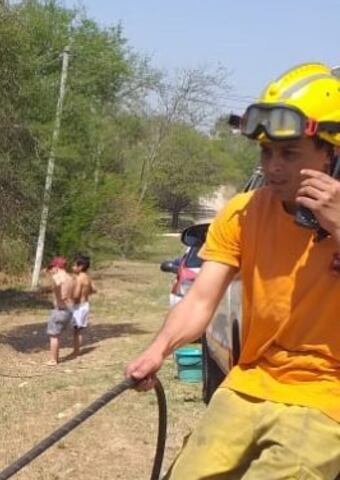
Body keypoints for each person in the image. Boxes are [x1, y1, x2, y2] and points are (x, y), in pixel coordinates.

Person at [125, 62, 340, 479]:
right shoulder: (242, 213)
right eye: (265, 152)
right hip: (250, 383)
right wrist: (157, 349)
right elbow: (200, 300)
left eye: (290, 152)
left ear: (332, 153)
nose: (272, 167)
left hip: (327, 397)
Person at [45, 256, 75, 366]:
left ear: (57, 267)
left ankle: (53, 359)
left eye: (52, 267)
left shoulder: (58, 276)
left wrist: (55, 280)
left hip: (60, 310)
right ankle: (55, 358)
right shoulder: (70, 278)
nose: (51, 270)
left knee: (54, 336)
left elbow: (59, 284)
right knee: (57, 335)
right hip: (69, 310)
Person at [70, 254, 95, 358]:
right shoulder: (88, 278)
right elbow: (94, 289)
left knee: (76, 331)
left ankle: (76, 352)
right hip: (85, 304)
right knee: (78, 330)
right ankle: (76, 351)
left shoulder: (79, 278)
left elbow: (76, 295)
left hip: (79, 306)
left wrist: (69, 298)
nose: (72, 267)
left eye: (74, 265)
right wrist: (86, 294)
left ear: (80, 267)